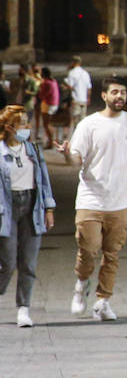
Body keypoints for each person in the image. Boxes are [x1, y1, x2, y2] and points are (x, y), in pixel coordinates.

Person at [63, 78, 127, 321]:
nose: (120, 96)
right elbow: (76, 159)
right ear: (104, 96)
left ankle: (103, 301)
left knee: (112, 254)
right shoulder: (89, 124)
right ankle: (81, 284)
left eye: (124, 92)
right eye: (115, 92)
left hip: (120, 201)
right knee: (88, 250)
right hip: (90, 200)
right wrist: (67, 154)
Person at [0, 106, 55, 327]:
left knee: (28, 263)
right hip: (6, 210)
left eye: (27, 122)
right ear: (9, 127)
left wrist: (49, 209)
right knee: (8, 263)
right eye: (22, 123)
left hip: (32, 206)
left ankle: (24, 309)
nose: (27, 127)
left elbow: (44, 180)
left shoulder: (33, 150)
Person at [37, 67, 61, 148]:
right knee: (50, 124)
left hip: (48, 104)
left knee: (46, 124)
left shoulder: (46, 83)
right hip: (54, 104)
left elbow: (42, 95)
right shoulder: (53, 81)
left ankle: (50, 142)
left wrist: (39, 87)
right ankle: (51, 140)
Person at [66, 57, 92, 127]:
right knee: (83, 121)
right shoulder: (85, 73)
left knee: (75, 121)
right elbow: (89, 87)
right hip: (84, 100)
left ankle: (76, 136)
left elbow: (70, 86)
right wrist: (88, 98)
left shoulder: (71, 73)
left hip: (75, 99)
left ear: (73, 63)